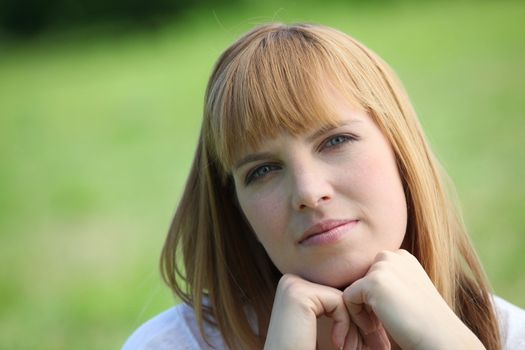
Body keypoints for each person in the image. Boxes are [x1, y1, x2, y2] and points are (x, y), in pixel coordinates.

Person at [122, 23, 525, 349]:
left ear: (401, 152)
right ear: (236, 209)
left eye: (335, 141)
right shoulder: (169, 345)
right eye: (262, 170)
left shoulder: (508, 335)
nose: (309, 193)